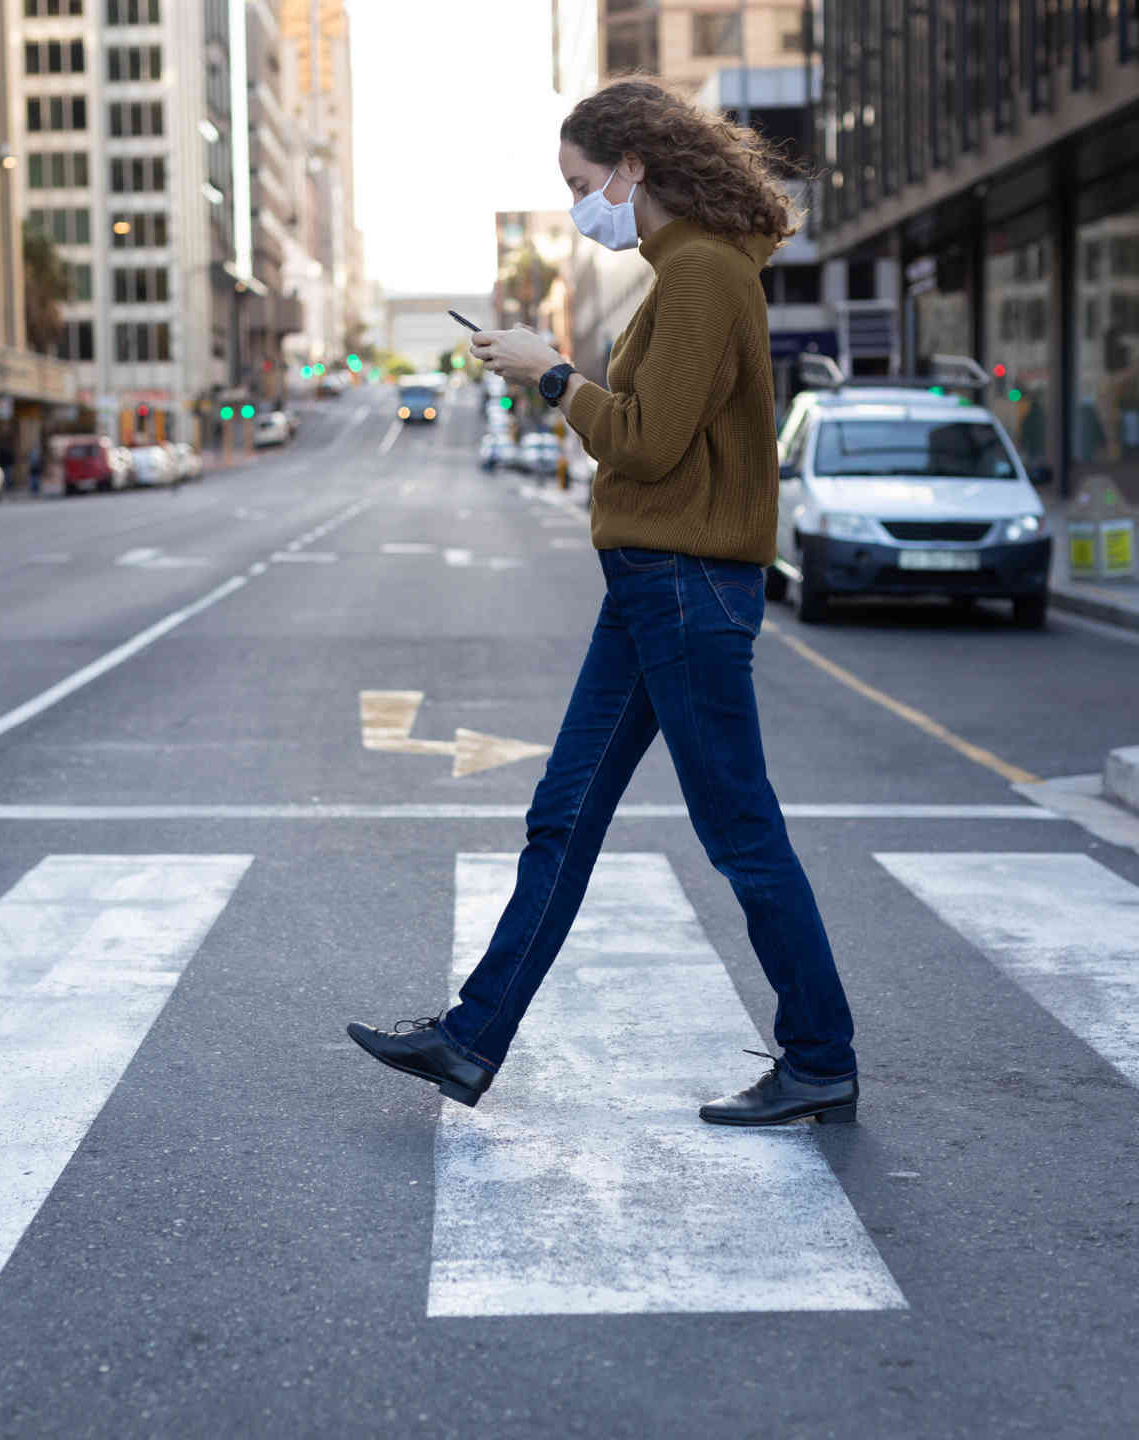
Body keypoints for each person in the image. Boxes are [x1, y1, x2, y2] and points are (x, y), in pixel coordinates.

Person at [346, 78, 859, 1128]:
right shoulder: (680, 272)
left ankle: (818, 1056)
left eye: (582, 184)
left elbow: (644, 441)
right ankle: (469, 1040)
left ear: (632, 168)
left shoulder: (703, 274)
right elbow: (647, 426)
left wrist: (547, 376)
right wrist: (556, 374)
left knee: (737, 829)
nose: (581, 204)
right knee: (565, 812)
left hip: (682, 581)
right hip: (649, 584)